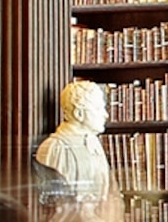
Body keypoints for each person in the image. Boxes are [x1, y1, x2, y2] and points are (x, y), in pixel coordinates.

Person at [36, 79, 120, 222]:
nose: (105, 114)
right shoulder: (56, 147)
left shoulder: (93, 143)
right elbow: (54, 206)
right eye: (99, 108)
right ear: (79, 113)